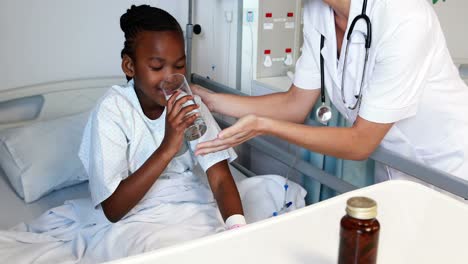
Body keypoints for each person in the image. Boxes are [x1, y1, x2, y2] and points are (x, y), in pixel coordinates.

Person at [193, 0, 468, 186]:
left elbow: (360, 142)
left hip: (453, 169)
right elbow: (295, 104)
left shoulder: (405, 15)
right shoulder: (318, 12)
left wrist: (265, 126)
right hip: (397, 167)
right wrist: (212, 100)